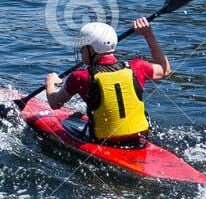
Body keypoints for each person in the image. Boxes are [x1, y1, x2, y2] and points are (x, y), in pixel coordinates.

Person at [42, 19, 170, 146]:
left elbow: (54, 103)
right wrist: (148, 34)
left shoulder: (80, 77)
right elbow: (165, 69)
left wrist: (50, 83)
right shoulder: (138, 67)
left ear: (93, 50)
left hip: (104, 143)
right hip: (138, 139)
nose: (81, 51)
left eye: (83, 47)